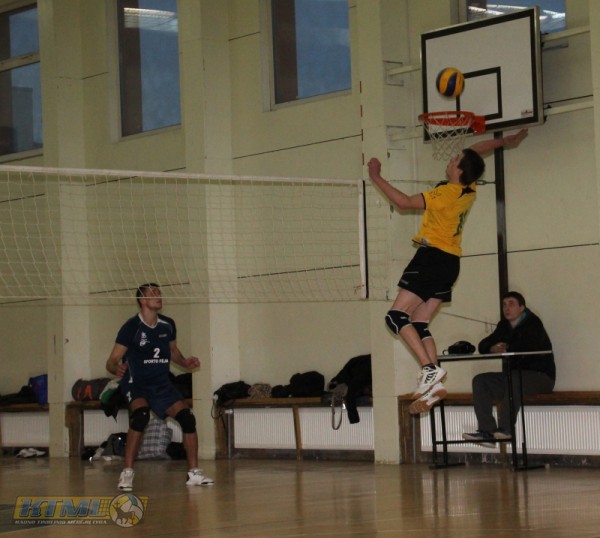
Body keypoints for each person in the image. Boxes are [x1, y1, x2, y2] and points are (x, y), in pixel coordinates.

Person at [367, 128, 529, 414]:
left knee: (395, 317)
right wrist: (505, 141)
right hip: (450, 264)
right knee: (419, 323)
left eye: (455, 159)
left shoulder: (446, 193)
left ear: (459, 170)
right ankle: (434, 385)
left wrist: (376, 176)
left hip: (431, 259)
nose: (451, 159)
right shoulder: (469, 187)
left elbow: (403, 203)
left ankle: (429, 369)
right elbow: (477, 150)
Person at [106, 283, 213, 491]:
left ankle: (193, 473)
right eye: (153, 293)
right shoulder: (131, 327)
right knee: (141, 416)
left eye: (159, 292)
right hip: (136, 383)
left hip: (161, 383)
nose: (158, 296)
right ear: (142, 300)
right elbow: (111, 361)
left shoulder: (167, 324)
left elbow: (173, 351)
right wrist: (115, 368)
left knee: (187, 419)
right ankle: (127, 473)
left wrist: (185, 362)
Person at [463, 291, 555, 446]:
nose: (507, 308)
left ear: (522, 308)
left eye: (511, 304)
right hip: (514, 378)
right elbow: (483, 345)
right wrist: (492, 348)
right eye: (504, 305)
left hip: (541, 377)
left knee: (514, 379)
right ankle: (487, 432)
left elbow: (529, 347)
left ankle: (506, 429)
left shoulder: (533, 323)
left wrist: (507, 346)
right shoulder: (503, 326)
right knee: (480, 381)